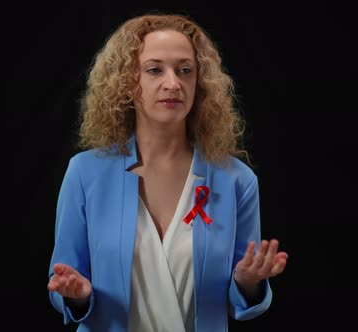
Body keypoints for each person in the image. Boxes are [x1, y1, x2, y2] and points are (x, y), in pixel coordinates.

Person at [47, 12, 288, 332]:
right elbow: (63, 279)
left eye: (185, 70)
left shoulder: (236, 180)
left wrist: (247, 283)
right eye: (154, 70)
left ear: (199, 83)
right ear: (127, 81)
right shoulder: (85, 173)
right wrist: (76, 296)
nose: (172, 83)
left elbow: (240, 302)